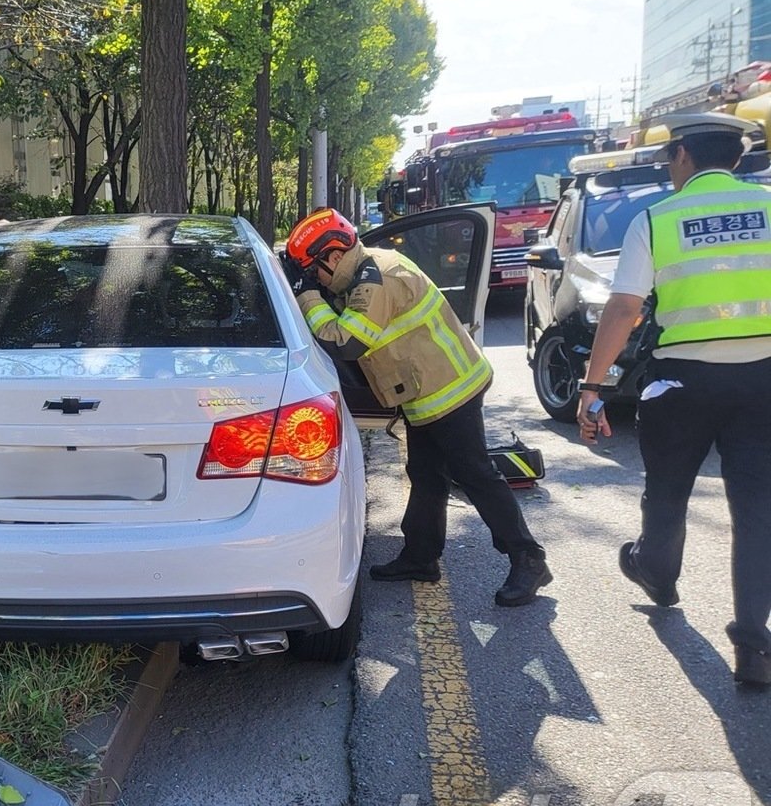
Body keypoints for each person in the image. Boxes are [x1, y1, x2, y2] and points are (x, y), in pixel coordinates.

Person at [579, 112, 771, 689]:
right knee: (758, 513)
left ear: (682, 157)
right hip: (763, 381)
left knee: (666, 493)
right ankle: (754, 646)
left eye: (669, 159)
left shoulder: (659, 220)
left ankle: (657, 575)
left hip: (682, 383)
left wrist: (594, 387)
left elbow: (624, 308)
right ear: (736, 160)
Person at [290, 207, 551, 607]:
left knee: (475, 473)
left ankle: (528, 558)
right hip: (429, 392)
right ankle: (420, 557)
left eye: (315, 271)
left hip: (450, 390)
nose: (317, 281)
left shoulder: (375, 279)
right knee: (426, 475)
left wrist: (307, 298)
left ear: (334, 255)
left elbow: (347, 341)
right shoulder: (367, 269)